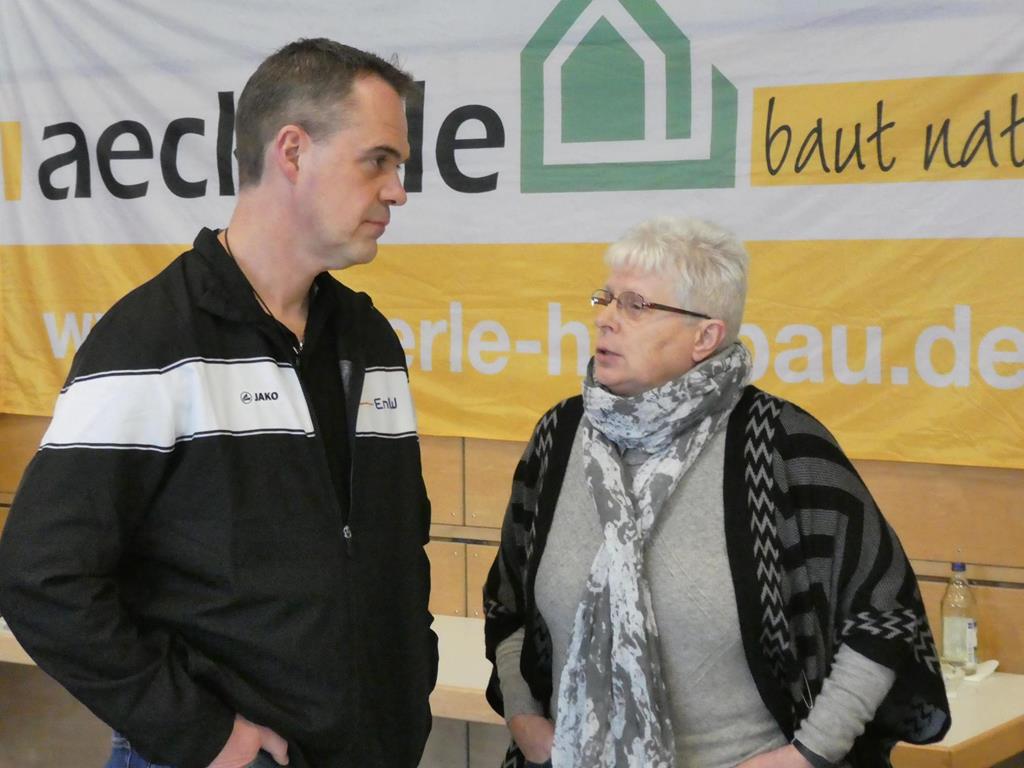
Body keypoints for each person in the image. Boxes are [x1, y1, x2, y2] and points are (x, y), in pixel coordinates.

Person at [0, 38, 437, 768]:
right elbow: (41, 579)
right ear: (292, 152)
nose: (397, 191)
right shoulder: (153, 339)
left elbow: (398, 547)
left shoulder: (370, 341)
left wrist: (406, 691)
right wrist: (201, 735)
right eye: (378, 160)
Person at [482, 217, 950, 768]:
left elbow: (883, 614)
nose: (604, 318)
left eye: (635, 305)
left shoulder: (781, 445)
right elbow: (509, 602)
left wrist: (808, 754)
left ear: (704, 337)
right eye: (606, 299)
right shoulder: (559, 437)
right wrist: (523, 715)